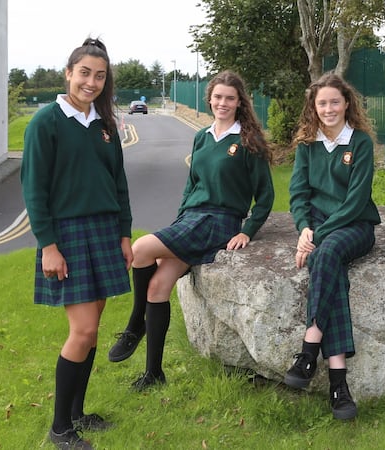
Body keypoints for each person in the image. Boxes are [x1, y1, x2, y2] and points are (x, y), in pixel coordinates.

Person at [108, 71, 274, 392]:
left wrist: (248, 231)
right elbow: (192, 185)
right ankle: (154, 373)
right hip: (191, 220)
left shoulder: (248, 141)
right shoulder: (202, 137)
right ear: (209, 99)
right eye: (218, 97)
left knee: (140, 249)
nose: (223, 103)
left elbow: (265, 195)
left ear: (239, 102)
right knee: (158, 287)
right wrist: (181, 220)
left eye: (230, 98)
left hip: (219, 221)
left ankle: (135, 325)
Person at [21, 37, 130, 450]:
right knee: (82, 330)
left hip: (104, 232)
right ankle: (59, 429)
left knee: (93, 329)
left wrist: (124, 234)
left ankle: (77, 414)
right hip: (67, 236)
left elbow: (118, 183)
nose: (91, 82)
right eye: (84, 73)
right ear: (68, 73)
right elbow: (34, 189)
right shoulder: (46, 122)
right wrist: (48, 245)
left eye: (99, 76)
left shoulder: (105, 126)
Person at [283, 73, 381, 420]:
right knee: (330, 266)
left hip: (355, 225)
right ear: (314, 107)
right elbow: (298, 193)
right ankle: (338, 384)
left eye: (334, 102)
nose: (328, 109)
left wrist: (316, 237)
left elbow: (355, 202)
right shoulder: (307, 144)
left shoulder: (361, 143)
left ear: (347, 103)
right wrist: (304, 229)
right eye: (322, 103)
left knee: (325, 253)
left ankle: (309, 347)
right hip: (320, 228)